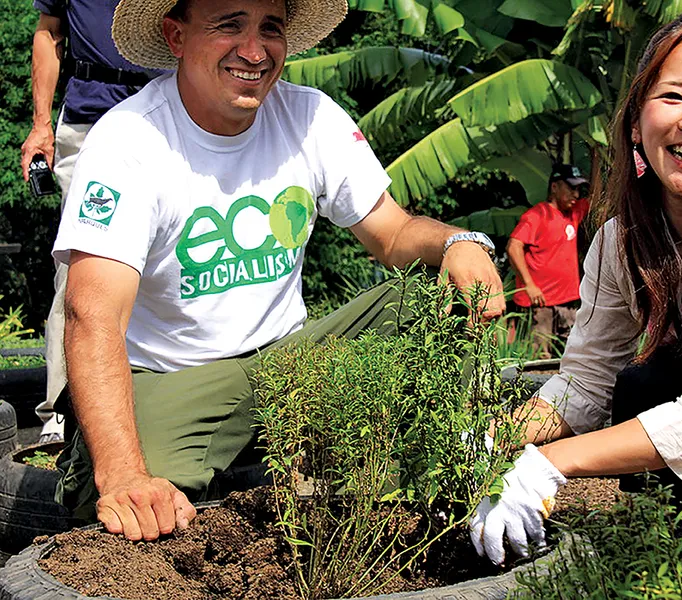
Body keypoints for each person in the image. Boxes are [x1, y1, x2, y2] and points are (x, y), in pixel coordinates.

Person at [51, 0, 504, 542]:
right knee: (122, 507)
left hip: (289, 366)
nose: (253, 50)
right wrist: (122, 472)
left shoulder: (310, 116)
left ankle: (427, 482)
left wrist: (459, 241)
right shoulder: (129, 140)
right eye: (229, 25)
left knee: (437, 289)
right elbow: (92, 312)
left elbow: (396, 234)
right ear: (176, 35)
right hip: (174, 381)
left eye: (271, 27)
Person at [470, 9, 682, 577]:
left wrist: (548, 464)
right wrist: (483, 452)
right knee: (645, 383)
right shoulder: (622, 240)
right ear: (634, 122)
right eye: (672, 96)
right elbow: (585, 379)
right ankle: (669, 563)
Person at [19, 0, 165, 443]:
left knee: (168, 267)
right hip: (88, 118)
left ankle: (156, 406)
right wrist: (41, 125)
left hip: (168, 115)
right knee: (79, 271)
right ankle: (59, 416)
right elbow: (48, 32)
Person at [505, 164, 589, 357]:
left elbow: (601, 196)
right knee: (539, 360)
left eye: (578, 189)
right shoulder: (537, 216)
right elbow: (513, 246)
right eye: (571, 188)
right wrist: (529, 285)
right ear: (554, 187)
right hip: (541, 305)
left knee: (572, 358)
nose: (576, 194)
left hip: (568, 303)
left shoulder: (573, 213)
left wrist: (597, 153)